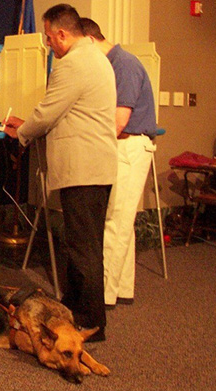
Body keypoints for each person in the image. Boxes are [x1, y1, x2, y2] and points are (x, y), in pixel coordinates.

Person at [3, 4, 118, 342]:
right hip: (98, 167)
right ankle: (76, 307)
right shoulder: (97, 57)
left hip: (83, 169)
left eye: (50, 38)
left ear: (63, 34)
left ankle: (90, 321)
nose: (49, 44)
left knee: (83, 248)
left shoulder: (73, 64)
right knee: (87, 244)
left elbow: (49, 111)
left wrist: (22, 131)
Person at [79, 18, 159, 307]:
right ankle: (122, 289)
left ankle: (101, 296)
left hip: (129, 145)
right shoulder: (114, 64)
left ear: (89, 41)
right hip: (126, 146)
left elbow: (118, 121)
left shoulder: (123, 64)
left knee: (114, 221)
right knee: (122, 221)